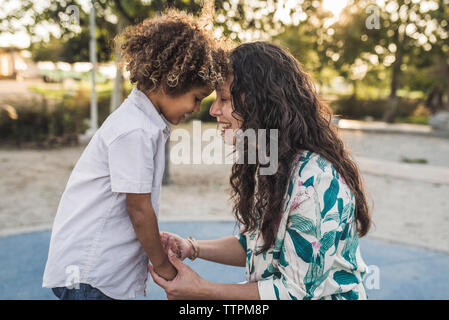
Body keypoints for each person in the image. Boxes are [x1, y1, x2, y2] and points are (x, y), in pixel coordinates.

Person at [150, 41, 372, 300]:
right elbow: (256, 246)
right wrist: (191, 247)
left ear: (258, 102)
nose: (213, 110)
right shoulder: (271, 164)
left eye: (224, 99)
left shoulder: (314, 181)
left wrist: (201, 290)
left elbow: (294, 292)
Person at [42, 10, 230, 300]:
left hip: (95, 274)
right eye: (196, 98)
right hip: (91, 275)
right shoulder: (136, 130)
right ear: (171, 80)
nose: (196, 109)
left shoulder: (141, 123)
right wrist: (166, 270)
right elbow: (139, 211)